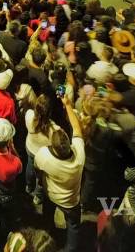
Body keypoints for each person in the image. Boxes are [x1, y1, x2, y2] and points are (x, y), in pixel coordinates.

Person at [34, 95, 84, 252]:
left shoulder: (44, 155)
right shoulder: (80, 156)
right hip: (71, 201)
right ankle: (70, 249)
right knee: (73, 226)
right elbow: (77, 129)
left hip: (51, 194)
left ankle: (47, 235)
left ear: (54, 148)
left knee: (47, 214)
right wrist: (68, 105)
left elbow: (37, 170)